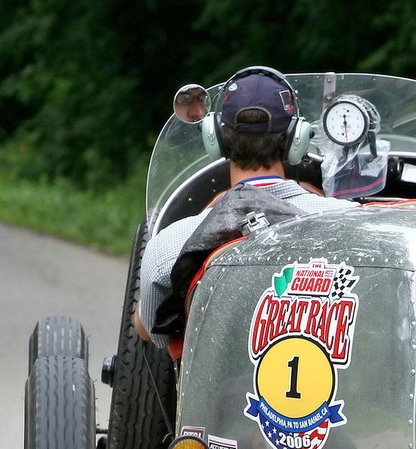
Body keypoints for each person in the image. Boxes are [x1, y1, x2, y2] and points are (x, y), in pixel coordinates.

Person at [136, 66, 357, 352]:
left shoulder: (169, 246)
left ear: (213, 136)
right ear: (295, 139)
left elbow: (151, 331)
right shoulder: (347, 222)